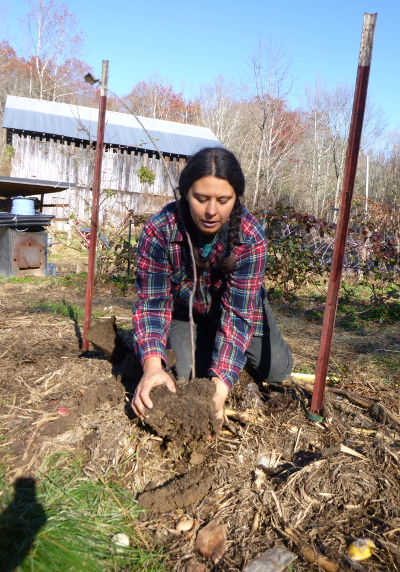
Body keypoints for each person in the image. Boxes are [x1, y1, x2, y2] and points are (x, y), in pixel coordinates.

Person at [131, 147, 293, 420]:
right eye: (201, 198)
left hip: (240, 307)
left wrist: (220, 388)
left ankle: (223, 350)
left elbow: (238, 315)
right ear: (186, 193)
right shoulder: (159, 229)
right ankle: (205, 344)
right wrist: (152, 367)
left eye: (223, 200)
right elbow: (153, 304)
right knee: (181, 374)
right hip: (187, 311)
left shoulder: (251, 237)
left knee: (276, 370)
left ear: (236, 198)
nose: (210, 211)